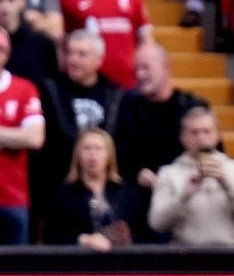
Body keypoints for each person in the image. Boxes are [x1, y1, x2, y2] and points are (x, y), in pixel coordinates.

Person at [34, 30, 121, 241]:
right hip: (58, 192)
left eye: (81, 55)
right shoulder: (49, 89)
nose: (73, 60)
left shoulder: (115, 94)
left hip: (102, 190)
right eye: (70, 53)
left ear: (98, 60)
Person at [113, 45, 209, 225]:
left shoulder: (191, 107)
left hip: (186, 203)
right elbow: (118, 153)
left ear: (165, 67)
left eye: (146, 67)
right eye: (137, 69)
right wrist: (137, 173)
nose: (140, 75)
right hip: (139, 205)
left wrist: (166, 181)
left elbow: (211, 156)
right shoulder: (127, 108)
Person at [149, 106, 234, 248]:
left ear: (217, 135)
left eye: (207, 131)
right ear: (183, 137)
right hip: (187, 254)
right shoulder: (169, 173)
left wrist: (227, 184)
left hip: (231, 253)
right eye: (194, 132)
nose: (201, 138)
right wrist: (184, 196)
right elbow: (157, 223)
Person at [47, 128, 138, 250]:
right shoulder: (66, 192)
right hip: (77, 263)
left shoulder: (124, 192)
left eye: (98, 148)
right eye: (87, 148)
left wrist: (127, 237)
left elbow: (142, 231)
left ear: (109, 154)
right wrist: (84, 239)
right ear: (77, 155)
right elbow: (52, 235)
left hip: (120, 263)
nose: (93, 154)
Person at [0, 26, 41, 244]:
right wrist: (13, 136)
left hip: (13, 198)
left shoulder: (24, 89)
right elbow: (24, 135)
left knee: (15, 272)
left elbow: (34, 138)